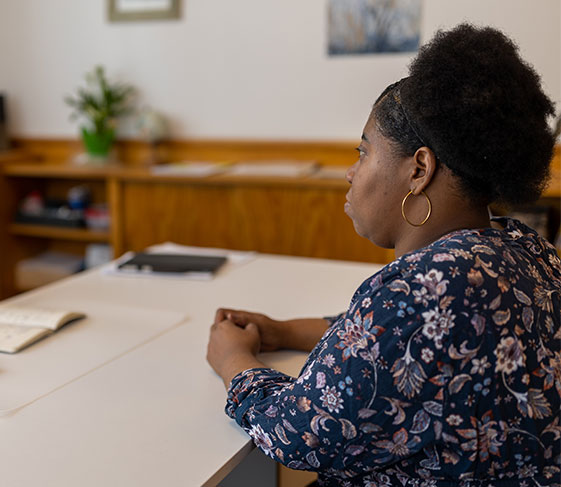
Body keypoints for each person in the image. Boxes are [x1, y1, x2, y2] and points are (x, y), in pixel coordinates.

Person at [207, 24, 560, 486]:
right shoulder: (526, 250)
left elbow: (293, 433)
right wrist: (283, 330)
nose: (350, 173)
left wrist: (233, 360)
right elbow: (394, 343)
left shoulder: (420, 290)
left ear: (419, 168)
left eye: (363, 151)